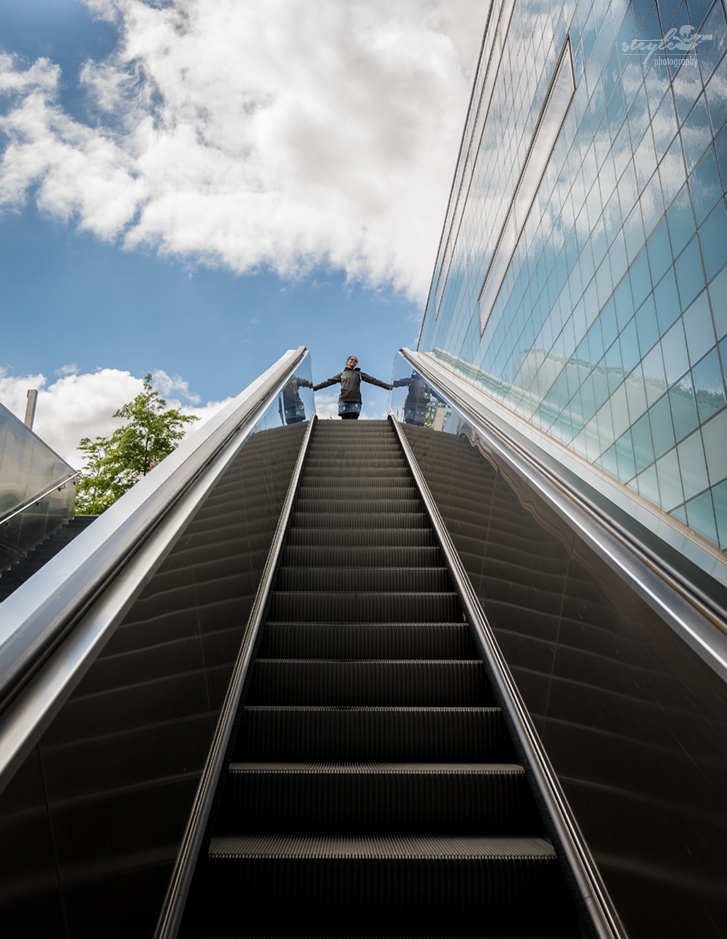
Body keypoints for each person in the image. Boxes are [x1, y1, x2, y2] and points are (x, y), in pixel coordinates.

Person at [313, 355, 392, 419]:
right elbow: (328, 382)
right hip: (343, 401)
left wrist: (387, 386)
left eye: (355, 361)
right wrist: (314, 388)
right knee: (345, 423)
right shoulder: (342, 374)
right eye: (352, 359)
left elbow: (373, 380)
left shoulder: (359, 374)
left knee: (353, 421)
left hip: (355, 401)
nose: (353, 361)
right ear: (347, 362)